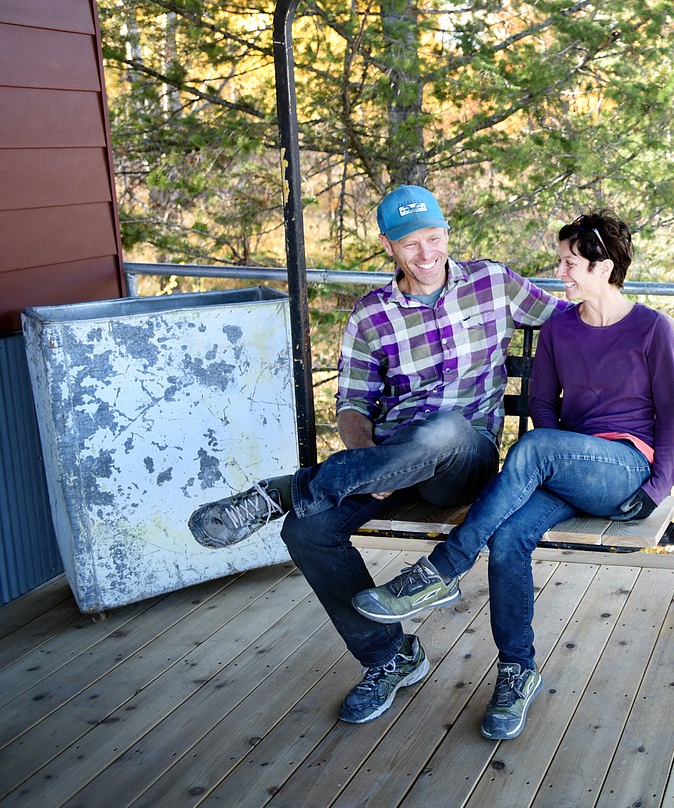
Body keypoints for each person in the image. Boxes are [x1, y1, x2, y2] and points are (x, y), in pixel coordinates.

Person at [186, 185, 572, 725]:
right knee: (305, 532)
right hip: (388, 460)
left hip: (465, 458)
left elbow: (580, 319)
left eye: (434, 239)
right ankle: (390, 657)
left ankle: (284, 490)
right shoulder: (371, 315)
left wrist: (658, 325)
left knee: (443, 430)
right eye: (411, 244)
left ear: (447, 233)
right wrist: (369, 460)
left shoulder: (492, 281)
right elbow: (351, 404)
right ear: (389, 246)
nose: (426, 254)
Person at [350, 210, 674, 740]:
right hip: (562, 466)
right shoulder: (559, 327)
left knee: (535, 446)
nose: (561, 273)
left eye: (570, 263)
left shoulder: (652, 329)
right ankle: (517, 670)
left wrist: (658, 488)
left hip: (623, 467)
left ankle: (442, 569)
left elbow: (670, 414)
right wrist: (549, 461)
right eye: (561, 261)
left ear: (604, 265)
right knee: (508, 537)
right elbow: (543, 404)